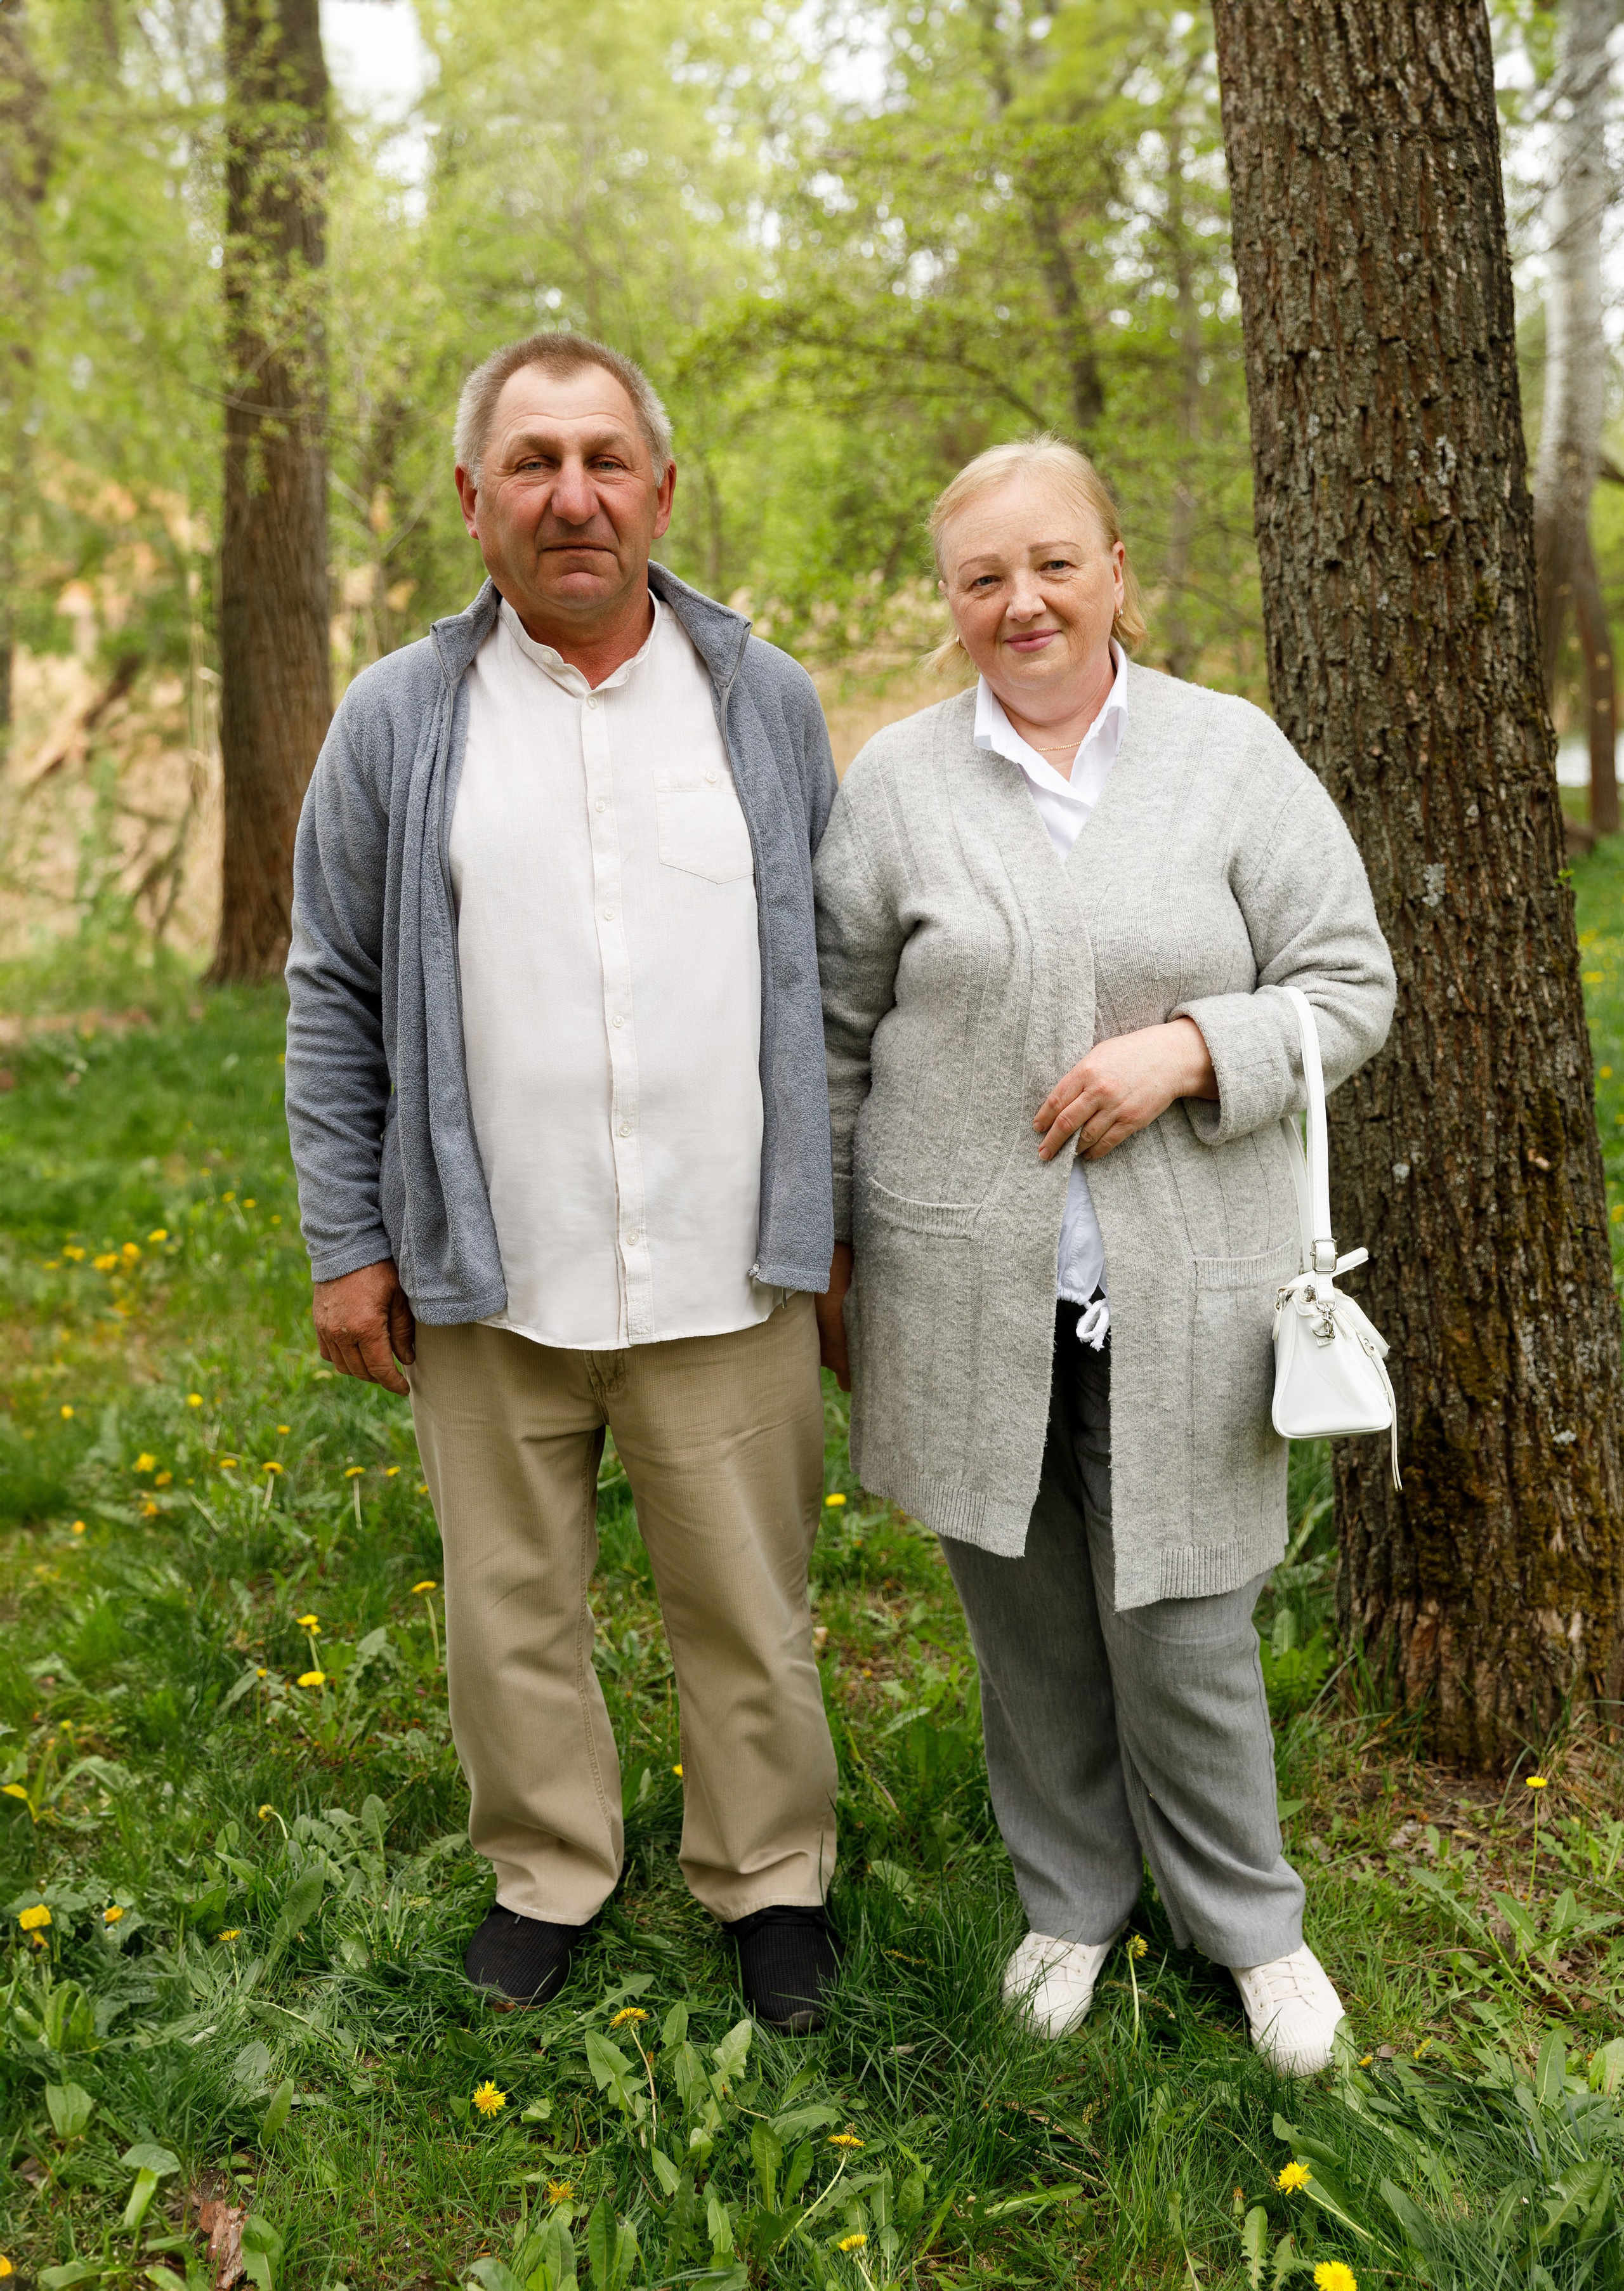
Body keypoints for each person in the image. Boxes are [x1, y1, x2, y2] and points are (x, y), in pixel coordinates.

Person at [813, 437, 1395, 2073]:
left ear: (1120, 573)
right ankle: (1071, 1900)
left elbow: (1351, 981)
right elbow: (839, 1033)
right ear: (952, 607)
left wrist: (1196, 1051)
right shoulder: (899, 785)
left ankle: (1252, 1929)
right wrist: (842, 1258)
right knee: (1028, 1626)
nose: (1024, 603)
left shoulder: (1232, 758)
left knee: (1192, 1626)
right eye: (985, 577)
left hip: (1191, 1282)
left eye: (1055, 564)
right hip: (961, 1281)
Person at [284, 331, 842, 2031]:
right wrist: (346, 1240)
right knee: (510, 1603)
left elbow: (834, 966)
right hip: (490, 1259)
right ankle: (548, 1865)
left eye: (606, 458)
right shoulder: (401, 716)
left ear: (662, 490)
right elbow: (332, 980)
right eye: (533, 462)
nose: (573, 495)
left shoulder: (763, 697)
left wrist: (835, 1226)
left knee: (750, 1604)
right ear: (474, 500)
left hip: (726, 1256)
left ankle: (773, 1875)